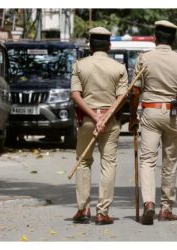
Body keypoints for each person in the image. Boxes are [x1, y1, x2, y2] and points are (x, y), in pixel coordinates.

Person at [129, 20, 177, 225]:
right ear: (174, 39)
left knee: (147, 160)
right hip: (174, 115)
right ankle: (166, 209)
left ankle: (149, 202)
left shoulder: (144, 59)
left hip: (150, 113)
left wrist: (132, 118)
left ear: (154, 37)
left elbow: (135, 92)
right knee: (170, 162)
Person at [70, 26, 128, 225]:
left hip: (87, 120)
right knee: (108, 163)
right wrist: (104, 117)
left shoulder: (79, 65)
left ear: (90, 45)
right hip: (110, 122)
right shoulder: (119, 68)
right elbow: (122, 97)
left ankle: (83, 209)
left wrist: (95, 117)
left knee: (84, 161)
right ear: (109, 45)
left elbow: (75, 95)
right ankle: (102, 212)